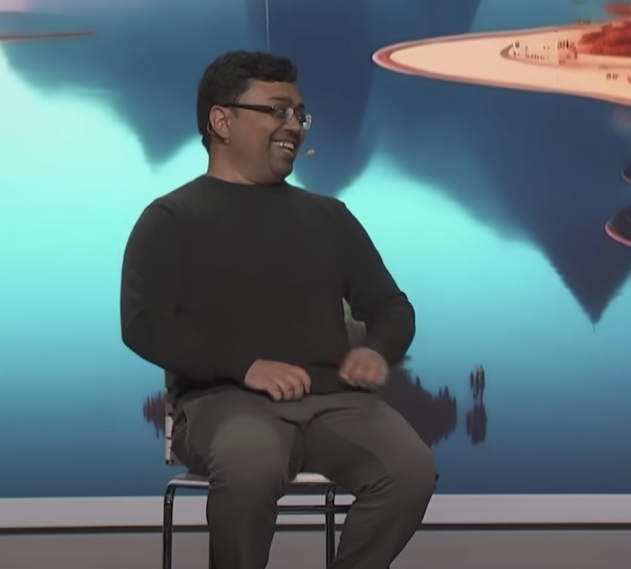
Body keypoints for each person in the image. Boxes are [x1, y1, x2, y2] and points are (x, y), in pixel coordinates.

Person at [120, 51, 436, 569]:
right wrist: (246, 366)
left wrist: (378, 350)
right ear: (222, 121)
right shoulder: (171, 219)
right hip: (223, 402)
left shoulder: (328, 217)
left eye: (299, 114)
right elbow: (143, 324)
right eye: (277, 110)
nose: (294, 125)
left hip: (336, 402)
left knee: (409, 470)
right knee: (251, 466)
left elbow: (391, 307)